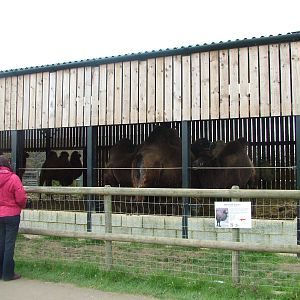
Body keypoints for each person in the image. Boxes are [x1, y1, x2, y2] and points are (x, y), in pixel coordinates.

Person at [0, 155, 27, 281]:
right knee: (9, 244)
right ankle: (7, 274)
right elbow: (21, 198)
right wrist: (22, 206)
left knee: (1, 243)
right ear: (8, 164)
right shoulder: (13, 178)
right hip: (11, 215)